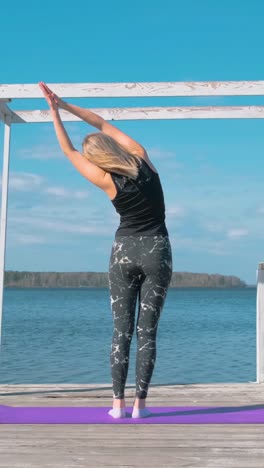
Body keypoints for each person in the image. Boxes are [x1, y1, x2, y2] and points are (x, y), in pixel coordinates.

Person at [39, 82, 173, 418]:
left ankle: (117, 405)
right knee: (147, 332)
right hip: (157, 250)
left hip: (124, 252)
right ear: (113, 148)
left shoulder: (107, 179)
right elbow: (99, 123)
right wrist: (67, 105)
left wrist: (54, 112)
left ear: (97, 159)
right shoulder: (144, 159)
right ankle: (141, 406)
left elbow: (68, 152)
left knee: (121, 331)